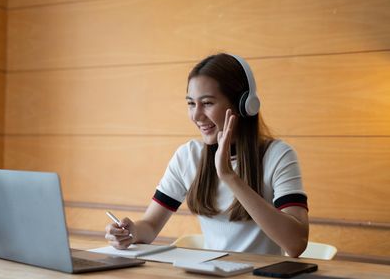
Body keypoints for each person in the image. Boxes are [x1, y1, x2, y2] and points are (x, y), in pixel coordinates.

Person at [104, 53, 309, 257]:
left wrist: (230, 177)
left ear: (243, 105)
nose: (196, 116)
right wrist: (131, 232)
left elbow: (295, 244)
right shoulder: (188, 156)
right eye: (191, 104)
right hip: (212, 278)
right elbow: (150, 226)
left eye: (208, 103)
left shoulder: (278, 156)